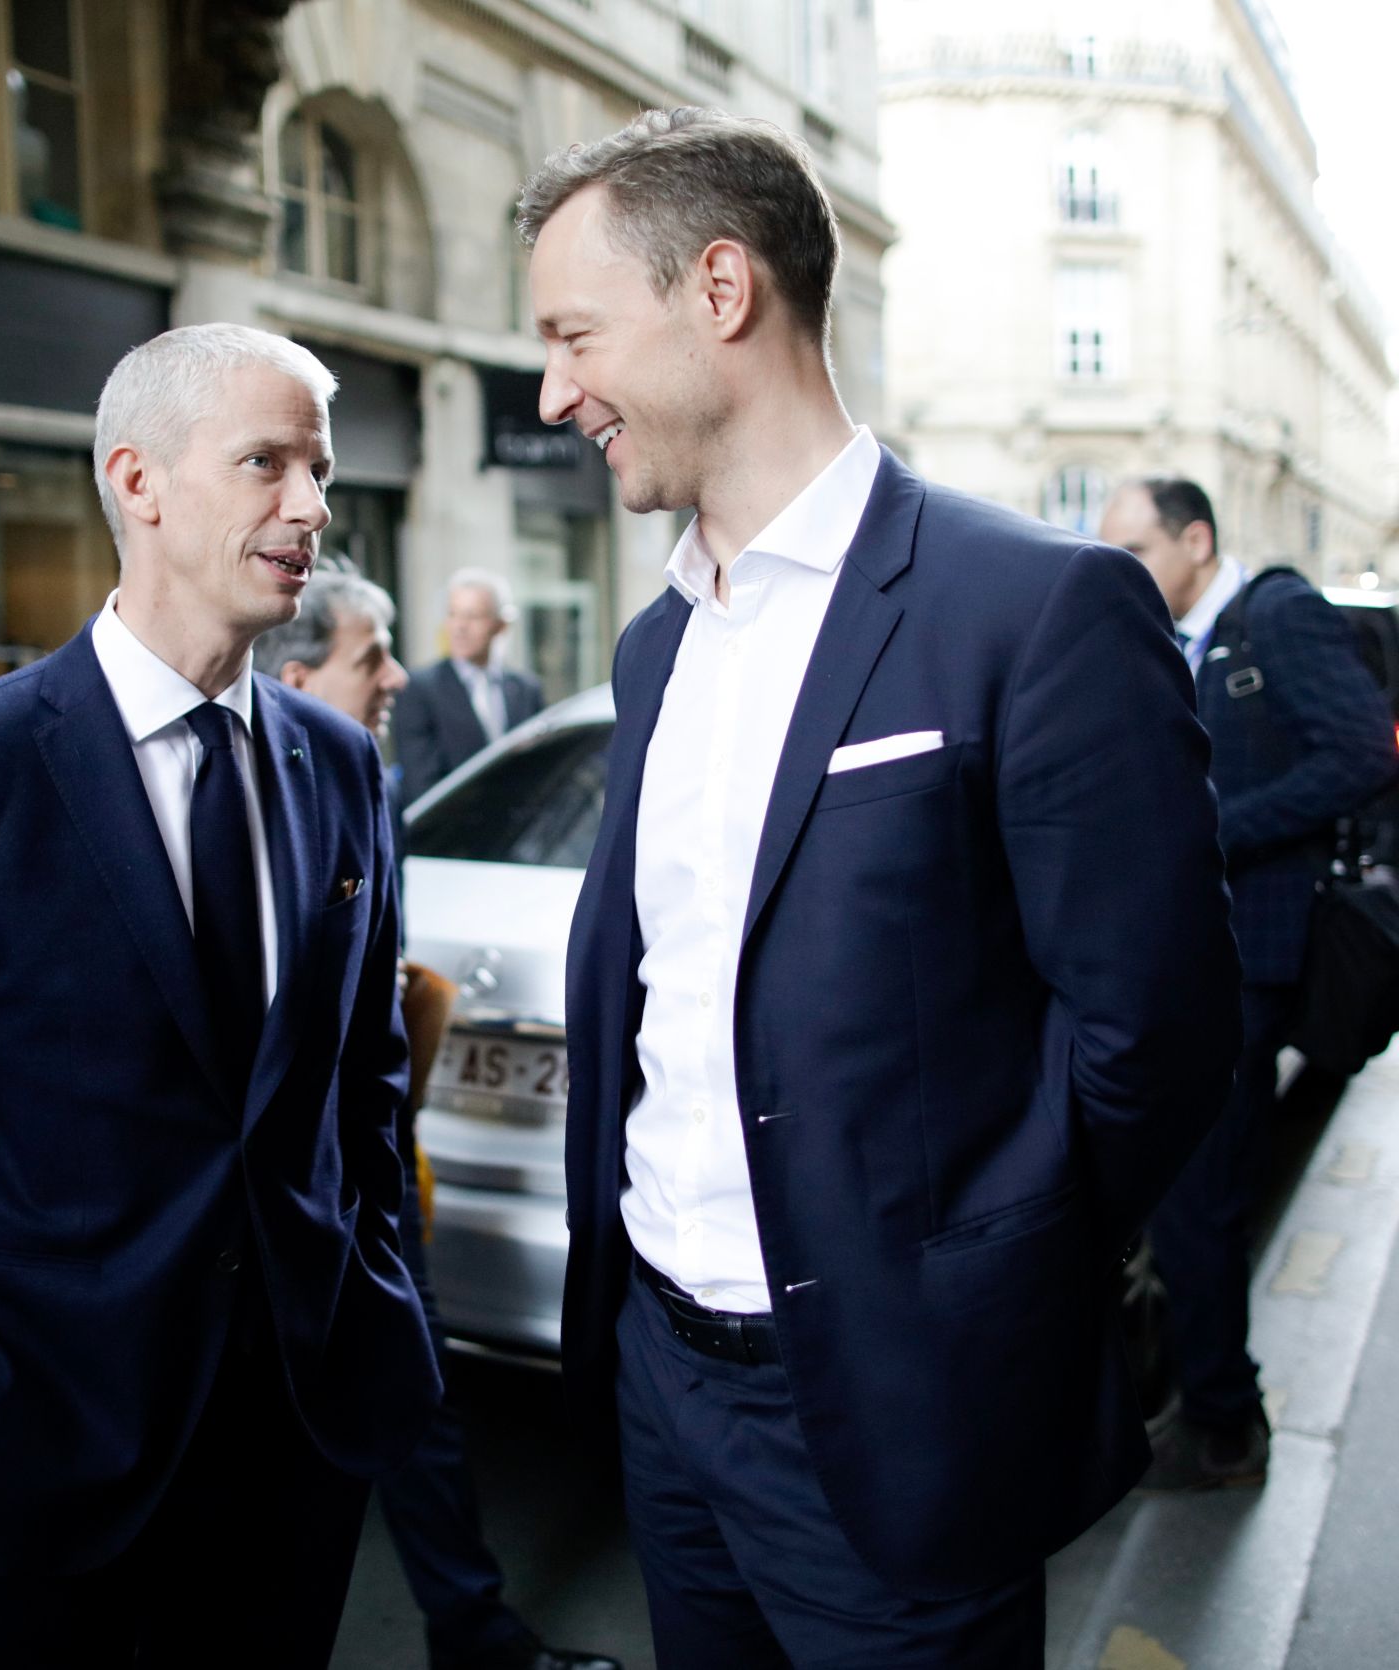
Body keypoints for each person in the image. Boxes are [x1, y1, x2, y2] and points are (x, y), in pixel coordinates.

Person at [519, 107, 1242, 1666]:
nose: (553, 388)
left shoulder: (1034, 609)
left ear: (721, 291)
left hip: (901, 1402)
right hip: (663, 1380)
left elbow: (1158, 1035)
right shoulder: (659, 643)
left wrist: (979, 1279)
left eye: (575, 333)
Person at [0, 323, 440, 1669]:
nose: (313, 507)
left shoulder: (340, 765)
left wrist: (381, 1318)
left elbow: (363, 1086)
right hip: (36, 1460)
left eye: (318, 471)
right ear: (138, 481)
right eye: (267, 462)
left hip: (299, 1445)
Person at [256, 570, 622, 1670]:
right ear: (296, 675)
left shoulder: (360, 780)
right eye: (372, 656)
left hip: (377, 1172)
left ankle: (474, 1633)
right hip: (284, 1197)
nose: (399, 673)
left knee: (417, 1407)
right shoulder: (224, 799)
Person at [1099, 476, 1397, 1489]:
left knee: (1199, 1198)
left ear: (1195, 539)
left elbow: (1362, 750)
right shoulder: (1160, 644)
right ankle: (1211, 1404)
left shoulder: (1275, 616)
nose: (1121, 573)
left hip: (1255, 953)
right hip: (1190, 957)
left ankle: (1224, 1424)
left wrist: (1214, 830)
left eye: (1134, 550)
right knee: (1192, 1192)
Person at [393, 568, 543, 803]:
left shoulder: (525, 689)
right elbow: (421, 785)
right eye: (453, 615)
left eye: (473, 616)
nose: (459, 627)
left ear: (501, 625)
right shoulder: (419, 690)